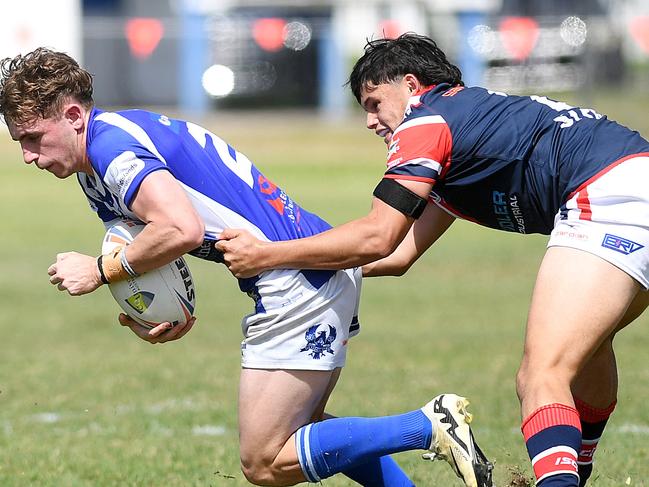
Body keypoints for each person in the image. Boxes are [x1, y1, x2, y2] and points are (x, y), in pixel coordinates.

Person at [0, 47, 494, 487]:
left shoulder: (112, 149)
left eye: (33, 138)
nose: (26, 156)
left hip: (295, 277)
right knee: (309, 432)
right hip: (303, 272)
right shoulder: (97, 161)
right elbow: (147, 243)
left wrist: (101, 270)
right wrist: (165, 311)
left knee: (264, 461)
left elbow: (180, 230)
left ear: (72, 115)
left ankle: (427, 425)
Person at [215, 33, 649, 487]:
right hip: (632, 181)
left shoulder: (425, 123)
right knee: (588, 349)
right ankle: (574, 474)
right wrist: (294, 266)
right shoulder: (466, 129)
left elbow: (377, 236)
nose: (369, 121)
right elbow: (399, 254)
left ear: (411, 85)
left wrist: (267, 255)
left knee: (543, 373)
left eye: (374, 102)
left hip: (610, 194)